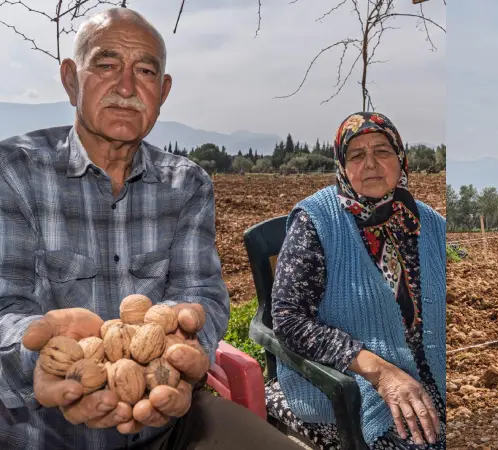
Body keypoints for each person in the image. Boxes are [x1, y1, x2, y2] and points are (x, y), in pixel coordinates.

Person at [0, 8, 299, 450]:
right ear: (69, 80)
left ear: (163, 90)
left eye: (144, 71)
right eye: (105, 65)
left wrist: (187, 343)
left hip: (167, 425)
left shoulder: (188, 183)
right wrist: (39, 356)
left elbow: (203, 292)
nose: (126, 87)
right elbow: (5, 304)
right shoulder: (14, 171)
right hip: (40, 435)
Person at [265, 112, 446, 449]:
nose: (371, 164)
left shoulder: (428, 223)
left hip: (430, 375)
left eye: (382, 151)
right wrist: (379, 371)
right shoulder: (316, 222)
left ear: (401, 159)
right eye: (357, 155)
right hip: (350, 384)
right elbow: (289, 320)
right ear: (343, 166)